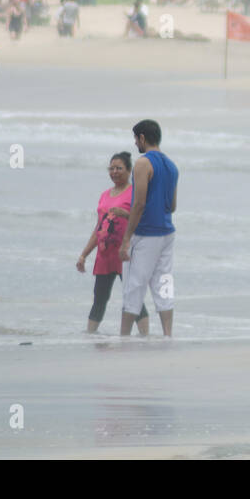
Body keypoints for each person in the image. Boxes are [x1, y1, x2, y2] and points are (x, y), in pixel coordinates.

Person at [76, 152, 148, 334]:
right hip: (104, 255)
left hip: (126, 254)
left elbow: (145, 221)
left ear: (129, 170)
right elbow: (98, 228)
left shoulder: (135, 193)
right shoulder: (104, 196)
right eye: (111, 168)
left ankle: (146, 338)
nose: (114, 172)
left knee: (133, 297)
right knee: (99, 298)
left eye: (119, 168)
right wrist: (84, 254)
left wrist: (125, 214)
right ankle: (90, 336)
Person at [118, 120, 178, 337]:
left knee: (134, 285)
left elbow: (139, 203)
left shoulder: (143, 164)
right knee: (164, 282)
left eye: (136, 139)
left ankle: (123, 336)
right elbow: (172, 205)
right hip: (167, 232)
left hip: (145, 233)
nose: (135, 143)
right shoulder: (172, 166)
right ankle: (168, 335)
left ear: (142, 138)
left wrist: (126, 239)